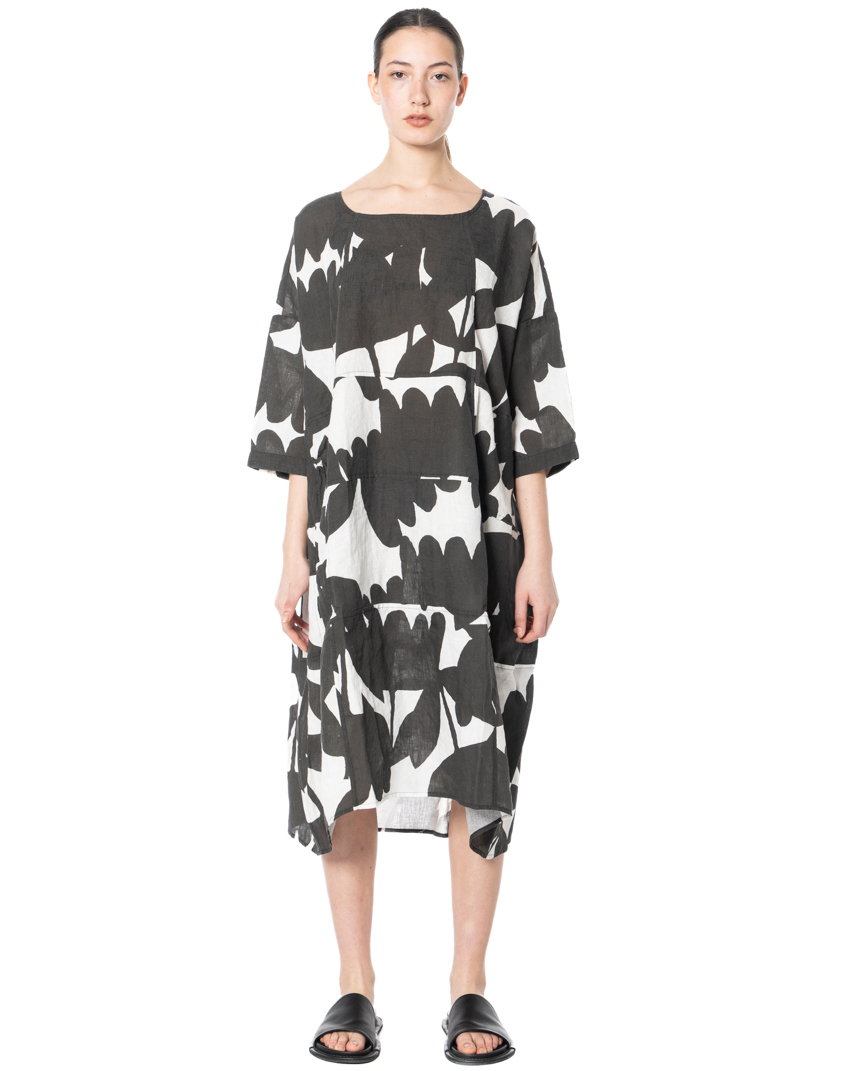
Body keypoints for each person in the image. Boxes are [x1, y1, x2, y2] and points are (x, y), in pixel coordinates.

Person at [247, 8, 579, 1064]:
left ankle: (469, 986)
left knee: (477, 746)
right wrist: (291, 552)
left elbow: (529, 402)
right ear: (373, 86)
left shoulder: (504, 230)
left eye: (438, 75)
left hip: (473, 531)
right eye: (400, 73)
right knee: (341, 740)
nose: (419, 93)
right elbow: (299, 406)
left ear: (462, 89)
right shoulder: (320, 227)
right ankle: (353, 985)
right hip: (347, 531)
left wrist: (538, 552)